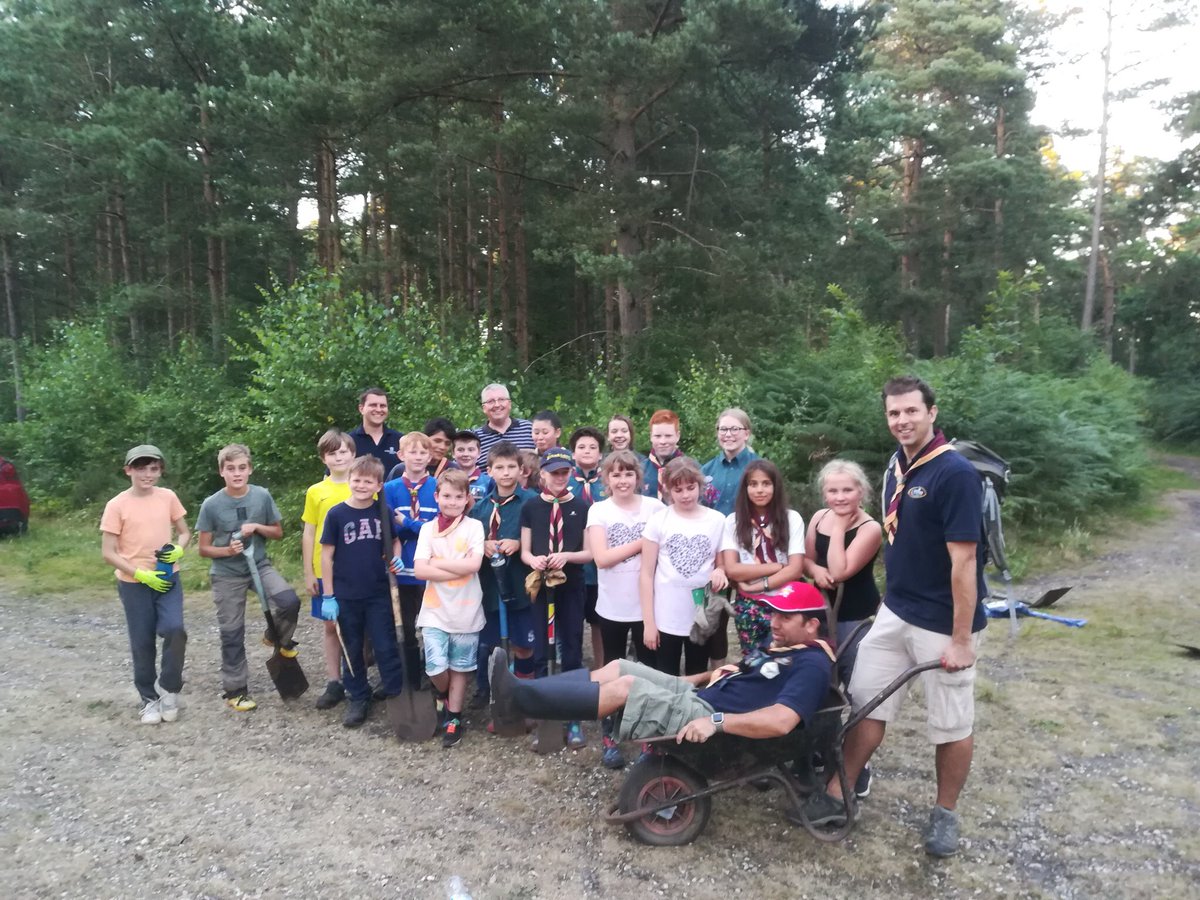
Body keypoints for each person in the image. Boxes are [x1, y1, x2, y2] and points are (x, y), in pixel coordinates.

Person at [802, 376, 986, 859]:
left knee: (950, 722)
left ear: (932, 412)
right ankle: (840, 792)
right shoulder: (894, 469)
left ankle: (944, 813)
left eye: (910, 411)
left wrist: (962, 639)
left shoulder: (955, 474)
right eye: (893, 413)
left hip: (944, 623)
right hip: (894, 612)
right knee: (864, 703)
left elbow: (965, 562)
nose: (901, 421)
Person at [489, 581, 833, 749]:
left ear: (812, 625)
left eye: (785, 617)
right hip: (699, 696)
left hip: (708, 716)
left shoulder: (810, 665)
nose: (773, 622)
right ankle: (521, 693)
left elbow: (782, 721)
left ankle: (519, 703)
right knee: (619, 667)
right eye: (773, 613)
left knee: (627, 687)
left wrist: (716, 721)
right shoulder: (781, 645)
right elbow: (733, 673)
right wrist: (686, 680)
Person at [196, 443, 300, 713]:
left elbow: (278, 532)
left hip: (259, 564)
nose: (237, 473)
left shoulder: (261, 496)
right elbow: (203, 548)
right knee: (232, 632)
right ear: (222, 472)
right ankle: (236, 690)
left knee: (289, 601)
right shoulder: (211, 505)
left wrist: (256, 527)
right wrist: (226, 550)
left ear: (250, 470)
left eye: (242, 468)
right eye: (230, 469)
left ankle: (275, 636)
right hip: (226, 574)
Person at [803, 458, 882, 800]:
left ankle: (857, 765)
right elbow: (806, 558)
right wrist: (812, 571)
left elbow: (841, 569)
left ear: (860, 491)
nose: (839, 497)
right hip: (820, 615)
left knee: (855, 687)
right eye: (832, 490)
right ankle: (823, 747)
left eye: (847, 490)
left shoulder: (870, 528)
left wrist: (838, 528)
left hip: (853, 616)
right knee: (821, 683)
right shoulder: (817, 517)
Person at [100, 445, 191, 725]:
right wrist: (140, 574)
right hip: (134, 583)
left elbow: (185, 532)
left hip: (167, 579)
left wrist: (179, 548)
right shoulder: (117, 505)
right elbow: (108, 552)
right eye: (141, 468)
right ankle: (149, 699)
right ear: (128, 470)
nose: (147, 474)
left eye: (153, 468)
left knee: (175, 629)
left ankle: (169, 689)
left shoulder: (168, 497)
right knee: (142, 642)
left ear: (160, 470)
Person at [585, 449, 664, 767]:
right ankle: (611, 732)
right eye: (615, 474)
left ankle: (648, 736)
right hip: (614, 606)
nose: (622, 480)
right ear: (606, 479)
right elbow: (601, 558)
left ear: (639, 478)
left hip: (650, 607)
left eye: (628, 473)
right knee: (614, 670)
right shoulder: (599, 511)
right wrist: (645, 541)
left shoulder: (656, 508)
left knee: (648, 671)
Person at [318, 455, 405, 728]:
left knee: (385, 644)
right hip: (346, 594)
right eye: (357, 480)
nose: (362, 485)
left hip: (378, 592)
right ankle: (358, 695)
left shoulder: (383, 511)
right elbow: (326, 556)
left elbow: (395, 541)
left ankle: (396, 692)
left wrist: (397, 558)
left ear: (379, 485)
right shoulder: (337, 514)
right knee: (351, 647)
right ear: (350, 481)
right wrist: (328, 595)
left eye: (368, 481)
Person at [520, 446, 594, 749]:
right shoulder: (531, 507)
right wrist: (533, 560)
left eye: (565, 472)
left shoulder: (583, 507)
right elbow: (525, 550)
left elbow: (589, 553)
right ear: (543, 474)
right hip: (541, 586)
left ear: (571, 473)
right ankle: (544, 716)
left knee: (573, 648)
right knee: (541, 650)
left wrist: (568, 556)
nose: (560, 477)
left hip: (571, 585)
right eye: (554, 473)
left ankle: (573, 717)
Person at [413, 469, 486, 747]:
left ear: (467, 499)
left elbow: (474, 566)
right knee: (435, 667)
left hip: (467, 611)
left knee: (461, 668)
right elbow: (420, 570)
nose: (452, 502)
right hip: (434, 610)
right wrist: (457, 568)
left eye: (458, 497)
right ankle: (442, 695)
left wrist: (437, 564)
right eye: (446, 496)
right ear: (436, 496)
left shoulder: (474, 528)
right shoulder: (427, 529)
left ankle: (454, 717)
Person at [640, 456, 728, 677]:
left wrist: (720, 571)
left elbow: (721, 562)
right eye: (678, 490)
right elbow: (646, 573)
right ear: (669, 490)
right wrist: (649, 624)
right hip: (666, 617)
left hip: (700, 617)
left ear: (700, 486)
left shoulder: (717, 520)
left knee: (696, 673)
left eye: (691, 488)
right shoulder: (659, 520)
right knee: (665, 676)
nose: (686, 495)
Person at [469, 441, 538, 715]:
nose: (506, 472)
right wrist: (482, 545)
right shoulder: (480, 509)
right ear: (489, 471)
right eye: (500, 467)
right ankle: (500, 703)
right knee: (494, 647)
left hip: (520, 585)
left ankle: (525, 700)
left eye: (512, 467)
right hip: (490, 587)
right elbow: (469, 542)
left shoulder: (532, 502)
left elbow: (542, 537)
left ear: (521, 470)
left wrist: (520, 543)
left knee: (523, 646)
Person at [720, 459, 806, 657]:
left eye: (766, 484)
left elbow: (796, 570)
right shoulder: (733, 522)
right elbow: (732, 569)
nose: (760, 490)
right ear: (745, 488)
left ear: (776, 487)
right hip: (749, 604)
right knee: (754, 661)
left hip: (785, 600)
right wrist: (777, 566)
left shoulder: (791, 518)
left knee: (787, 657)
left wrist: (757, 585)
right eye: (753, 484)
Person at [382, 432, 440, 700]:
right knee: (404, 627)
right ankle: (411, 679)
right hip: (401, 570)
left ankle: (434, 676)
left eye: (423, 453)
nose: (418, 457)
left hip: (430, 570)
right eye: (412, 452)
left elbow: (437, 529)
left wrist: (408, 524)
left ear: (430, 457)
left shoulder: (438, 487)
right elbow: (387, 527)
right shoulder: (390, 489)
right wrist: (414, 529)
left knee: (430, 625)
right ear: (401, 455)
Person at [301, 429, 356, 710]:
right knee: (331, 626)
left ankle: (356, 679)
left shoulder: (362, 486)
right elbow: (309, 532)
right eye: (333, 453)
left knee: (357, 626)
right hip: (325, 570)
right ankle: (334, 681)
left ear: (353, 454)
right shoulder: (316, 492)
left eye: (344, 451)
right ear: (324, 458)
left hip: (357, 569)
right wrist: (309, 572)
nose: (339, 457)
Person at [568, 426, 607, 672]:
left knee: (599, 621)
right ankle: (573, 669)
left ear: (601, 454)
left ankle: (602, 667)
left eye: (593, 447)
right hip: (574, 561)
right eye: (581, 447)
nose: (587, 451)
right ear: (573, 453)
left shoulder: (608, 481)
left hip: (602, 564)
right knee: (572, 622)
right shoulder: (564, 480)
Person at [701, 408, 759, 517]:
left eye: (734, 429)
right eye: (723, 429)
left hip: (748, 530)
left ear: (746, 434)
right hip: (715, 532)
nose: (728, 434)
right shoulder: (706, 470)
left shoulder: (760, 468)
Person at [474, 383, 534, 467]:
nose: (497, 405)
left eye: (501, 399)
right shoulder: (475, 438)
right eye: (491, 401)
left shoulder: (530, 429)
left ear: (509, 404)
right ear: (484, 408)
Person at [350, 387, 402, 476]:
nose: (378, 409)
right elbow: (332, 476)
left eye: (383, 406)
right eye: (373, 405)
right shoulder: (349, 441)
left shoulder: (400, 440)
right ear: (361, 408)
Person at [642, 409, 684, 502]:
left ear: (677, 436)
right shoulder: (639, 470)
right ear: (651, 436)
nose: (663, 441)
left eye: (668, 436)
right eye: (657, 436)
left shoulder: (692, 468)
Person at [450, 429, 494, 504]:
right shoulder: (446, 480)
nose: (466, 454)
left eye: (471, 450)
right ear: (453, 453)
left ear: (479, 453)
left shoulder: (488, 482)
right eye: (460, 450)